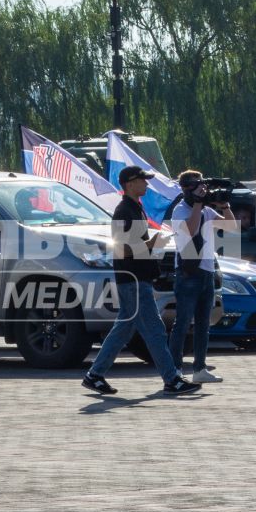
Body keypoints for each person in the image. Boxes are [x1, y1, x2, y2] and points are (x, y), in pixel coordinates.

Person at [82, 165, 198, 398]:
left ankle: (94, 375)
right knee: (155, 329)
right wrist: (150, 244)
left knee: (123, 330)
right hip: (132, 280)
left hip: (136, 279)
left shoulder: (135, 208)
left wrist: (151, 245)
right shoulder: (124, 211)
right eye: (143, 180)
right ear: (130, 183)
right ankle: (171, 379)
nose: (146, 183)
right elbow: (122, 250)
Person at [167, 170, 231, 382]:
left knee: (204, 323)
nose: (202, 190)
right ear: (186, 189)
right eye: (197, 186)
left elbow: (230, 228)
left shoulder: (206, 210)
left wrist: (225, 205)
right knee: (183, 322)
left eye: (202, 185)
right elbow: (191, 231)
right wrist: (196, 204)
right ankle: (175, 369)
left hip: (207, 272)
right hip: (188, 273)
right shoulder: (180, 210)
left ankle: (199, 370)